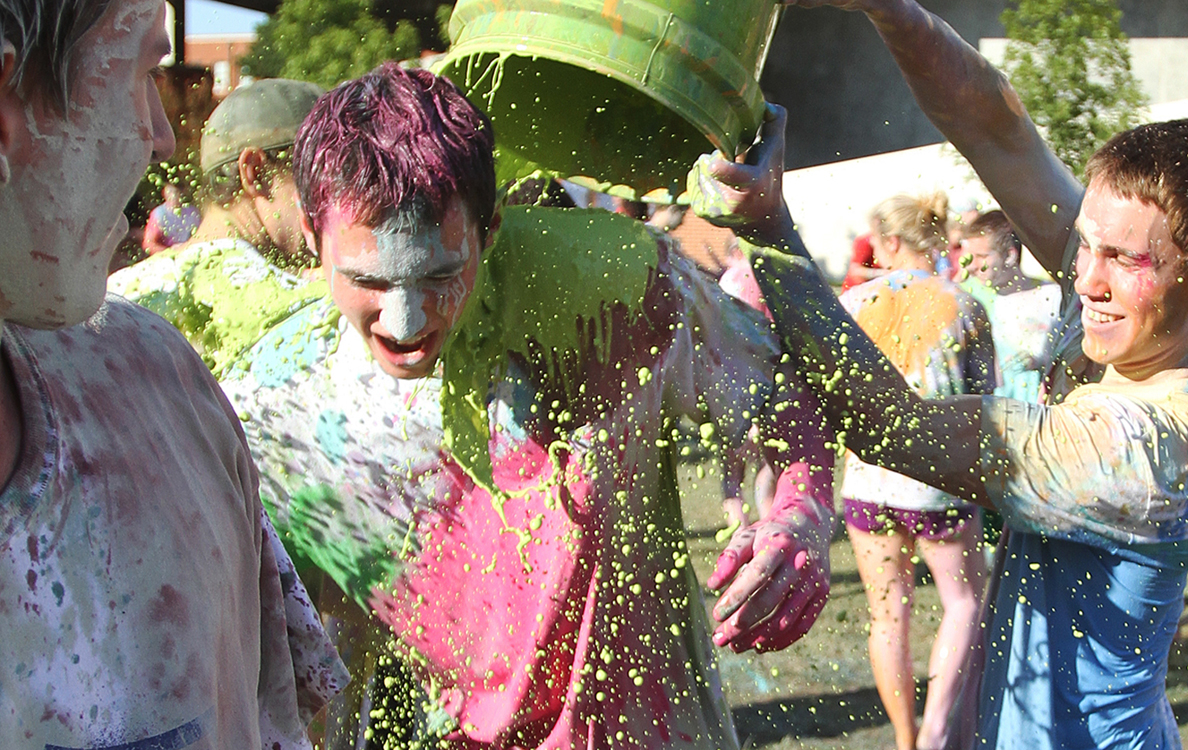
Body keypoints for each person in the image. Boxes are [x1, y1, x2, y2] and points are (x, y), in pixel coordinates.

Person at [688, 1, 1188, 747]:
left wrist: (768, 229)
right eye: (1085, 246)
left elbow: (891, 427)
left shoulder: (1149, 450)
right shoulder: (1135, 324)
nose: (1085, 279)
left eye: (1125, 259)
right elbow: (996, 127)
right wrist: (890, 10)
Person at [220, 63, 835, 749]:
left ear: (489, 227)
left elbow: (782, 397)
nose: (405, 322)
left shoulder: (617, 289)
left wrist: (801, 515)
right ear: (312, 234)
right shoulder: (275, 402)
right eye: (367, 280)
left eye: (440, 274)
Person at [0, 1, 346, 747]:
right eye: (139, 76)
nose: (161, 136)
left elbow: (272, 712)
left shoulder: (164, 379)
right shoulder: (168, 364)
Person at [838, 192, 992, 750]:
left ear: (892, 241)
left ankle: (906, 740)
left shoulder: (852, 304)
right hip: (938, 485)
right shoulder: (964, 305)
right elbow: (986, 403)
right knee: (965, 602)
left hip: (867, 483)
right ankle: (934, 732)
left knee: (887, 616)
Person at [109, 77, 327, 374]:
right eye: (322, 177)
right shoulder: (304, 308)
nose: (337, 205)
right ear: (256, 173)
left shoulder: (121, 293)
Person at [958, 210, 1061, 404]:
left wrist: (1040, 359)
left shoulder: (1051, 296)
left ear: (1009, 256)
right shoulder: (970, 298)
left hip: (1041, 408)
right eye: (970, 257)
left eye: (981, 256)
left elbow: (1070, 354)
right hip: (991, 410)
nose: (971, 266)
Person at [141, 181, 200, 253]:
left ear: (182, 193)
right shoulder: (159, 214)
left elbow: (201, 234)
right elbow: (148, 244)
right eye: (170, 192)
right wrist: (170, 252)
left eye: (176, 192)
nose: (173, 196)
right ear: (164, 194)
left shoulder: (192, 212)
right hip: (168, 255)